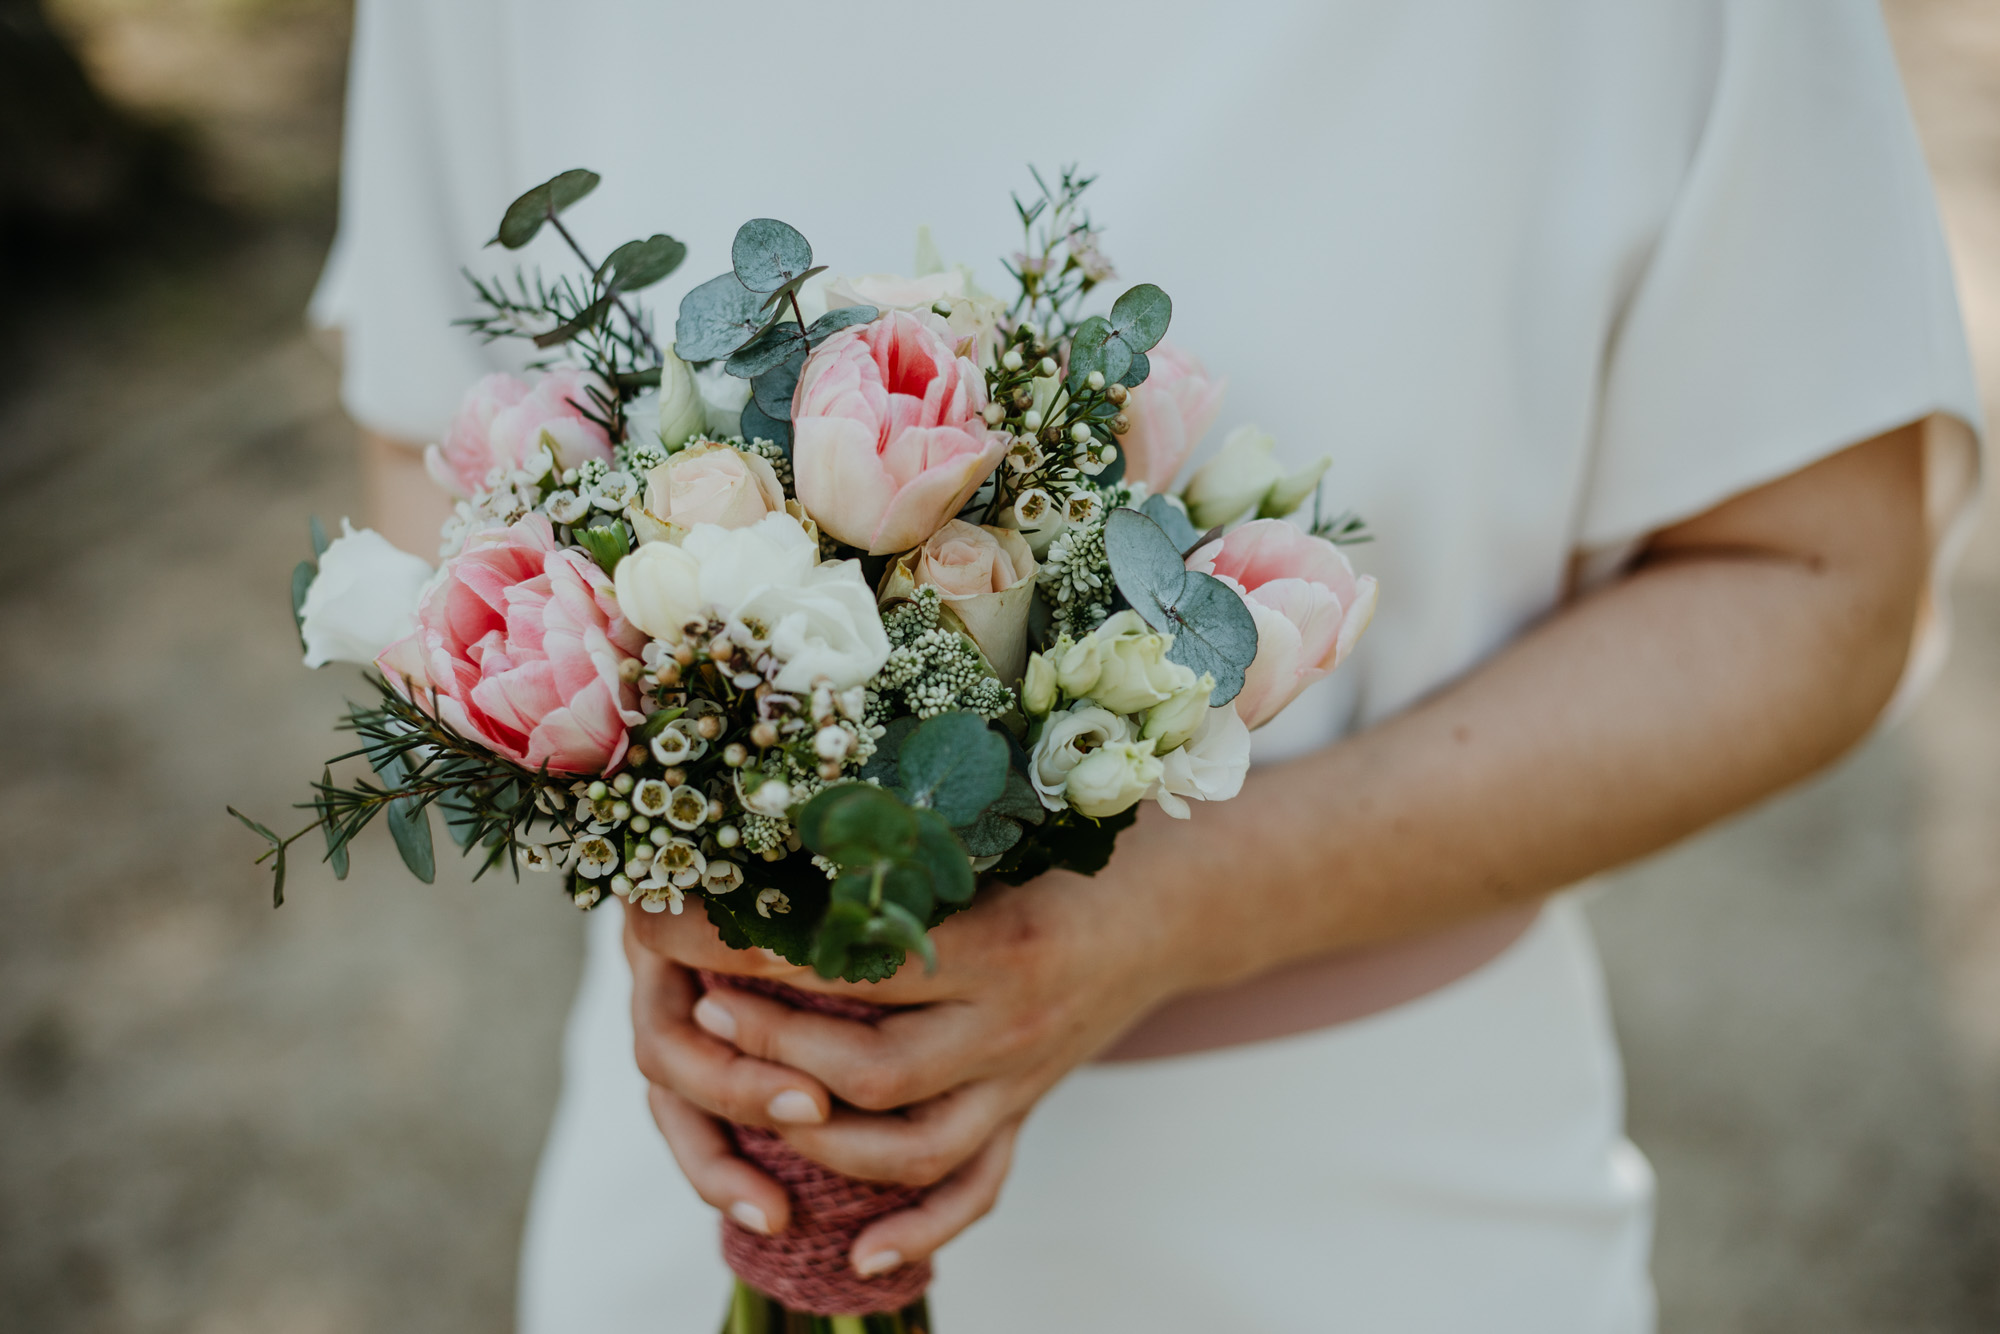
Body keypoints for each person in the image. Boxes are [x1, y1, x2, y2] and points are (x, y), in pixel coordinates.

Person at [312, 1, 1984, 1328]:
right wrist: (705, 855)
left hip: (1372, 1213)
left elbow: (1822, 581)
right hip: (712, 1188)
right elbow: (432, 459)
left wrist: (1172, 907)